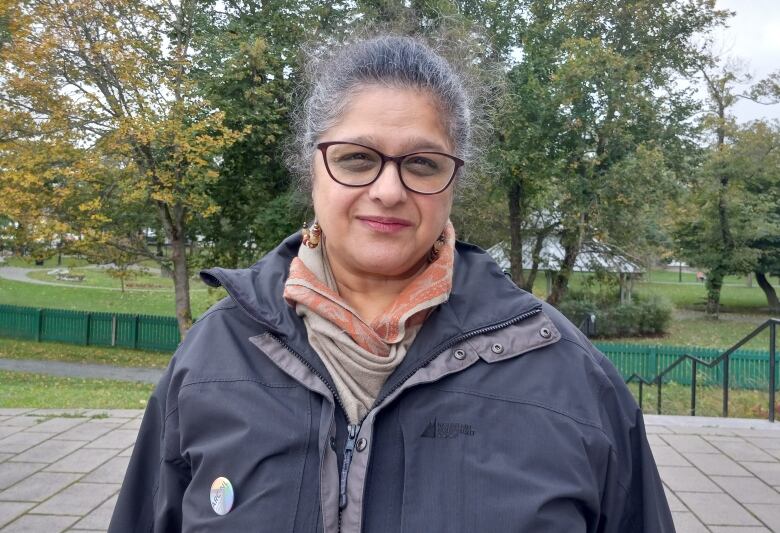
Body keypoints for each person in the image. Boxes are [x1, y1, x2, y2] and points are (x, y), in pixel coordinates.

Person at [109, 35, 674, 532]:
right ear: (312, 168)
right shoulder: (212, 358)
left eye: (422, 163)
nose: (388, 190)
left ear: (454, 180)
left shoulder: (569, 377)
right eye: (356, 158)